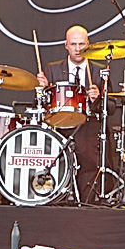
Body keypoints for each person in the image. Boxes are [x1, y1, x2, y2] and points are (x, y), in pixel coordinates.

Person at [35, 26, 105, 203]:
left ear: (88, 44)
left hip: (88, 133)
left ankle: (87, 204)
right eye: (73, 44)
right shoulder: (52, 69)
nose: (78, 48)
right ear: (66, 45)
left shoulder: (99, 71)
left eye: (82, 44)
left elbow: (110, 107)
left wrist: (98, 98)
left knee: (88, 174)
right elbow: (41, 104)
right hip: (61, 130)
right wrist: (41, 90)